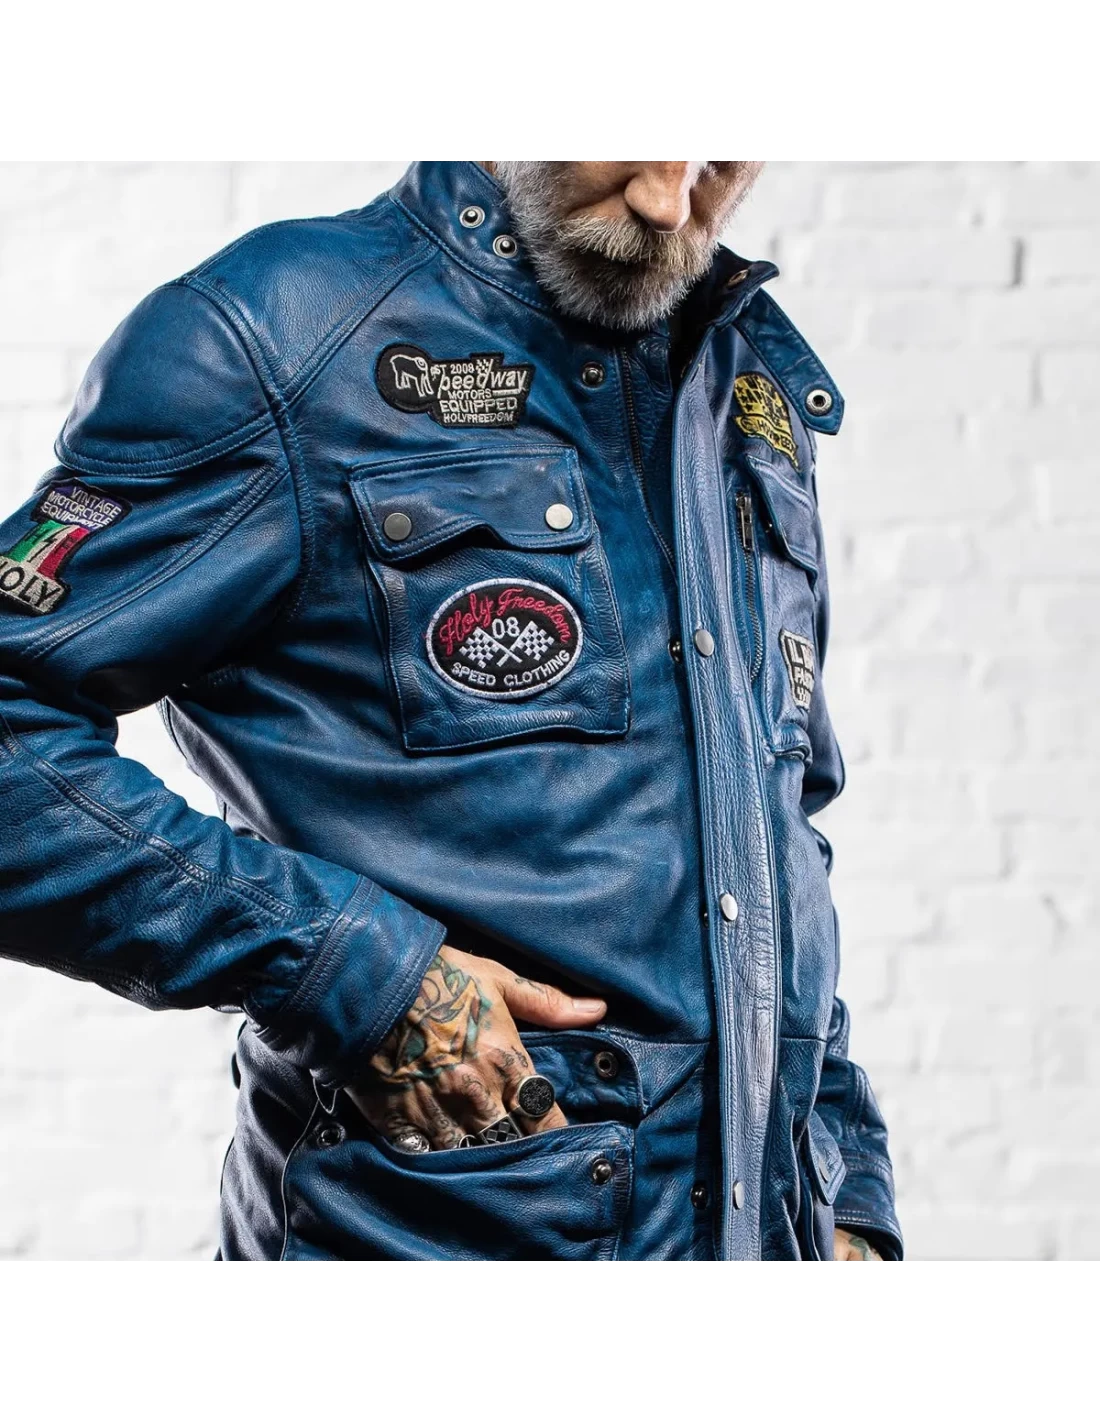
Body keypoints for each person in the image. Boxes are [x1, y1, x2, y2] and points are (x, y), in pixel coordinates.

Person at [0, 161, 901, 1261]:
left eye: (718, 158)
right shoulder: (278, 334)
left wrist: (847, 1190)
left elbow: (772, 827)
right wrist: (355, 973)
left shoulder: (739, 381)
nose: (668, 202)